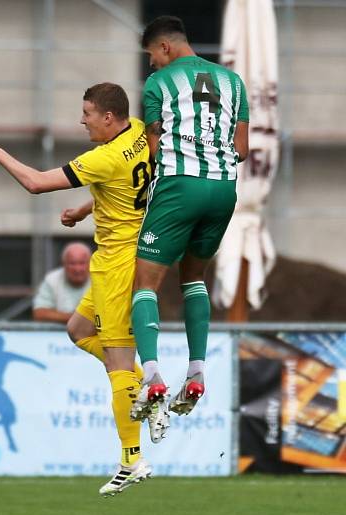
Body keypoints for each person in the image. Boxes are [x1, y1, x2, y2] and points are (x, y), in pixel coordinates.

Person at [0, 82, 165, 496]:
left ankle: (132, 457)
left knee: (117, 363)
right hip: (115, 258)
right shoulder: (140, 132)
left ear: (108, 117)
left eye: (87, 112)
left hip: (120, 266)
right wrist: (87, 207)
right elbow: (132, 183)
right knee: (78, 329)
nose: (81, 119)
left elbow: (36, 183)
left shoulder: (103, 156)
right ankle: (149, 388)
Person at [129, 16, 250, 424]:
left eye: (150, 56)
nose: (151, 66)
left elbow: (151, 146)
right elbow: (243, 148)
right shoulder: (233, 82)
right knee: (194, 278)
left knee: (145, 283)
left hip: (180, 186)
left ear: (164, 48)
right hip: (224, 190)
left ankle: (151, 375)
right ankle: (197, 370)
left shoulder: (157, 86)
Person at [32, 242, 91, 323]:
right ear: (64, 264)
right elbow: (39, 313)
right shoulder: (51, 280)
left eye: (82, 263)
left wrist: (59, 316)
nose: (77, 269)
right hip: (58, 334)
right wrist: (80, 318)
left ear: (90, 263)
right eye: (72, 263)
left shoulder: (100, 280)